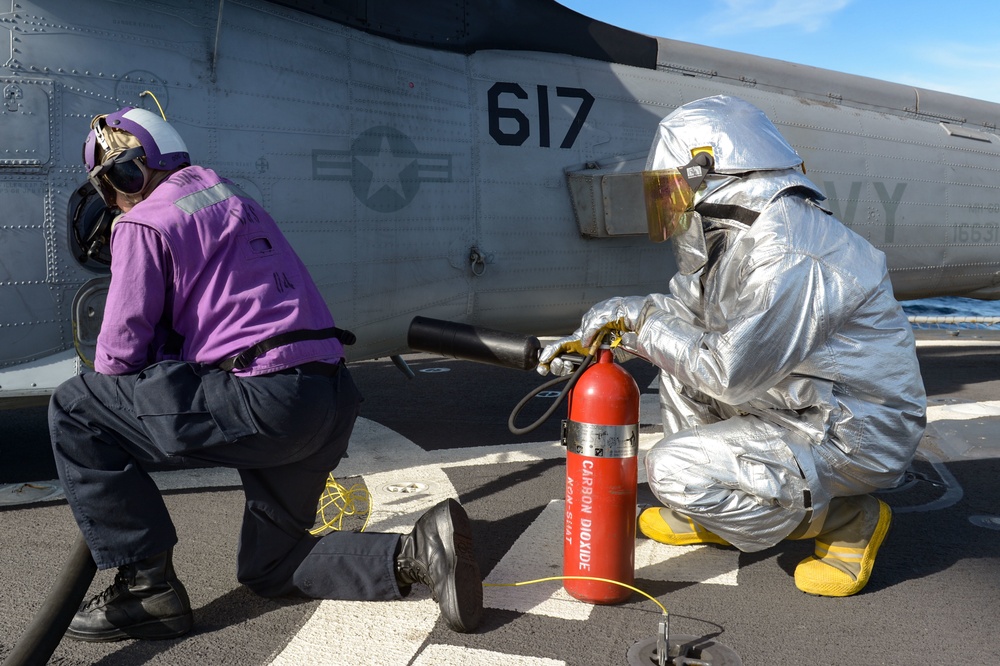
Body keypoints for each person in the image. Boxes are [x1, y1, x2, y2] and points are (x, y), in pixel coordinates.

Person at [51, 106, 482, 642]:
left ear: (122, 173)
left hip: (264, 398)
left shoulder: (142, 221)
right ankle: (419, 554)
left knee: (75, 407)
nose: (111, 202)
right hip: (329, 398)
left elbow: (118, 359)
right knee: (271, 567)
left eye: (109, 189)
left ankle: (147, 591)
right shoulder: (234, 199)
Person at [539, 95, 926, 597]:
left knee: (671, 470)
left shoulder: (791, 250)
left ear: (711, 174)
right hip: (796, 401)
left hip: (852, 430)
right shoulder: (736, 237)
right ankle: (718, 506)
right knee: (676, 364)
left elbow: (727, 373)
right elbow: (680, 321)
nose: (668, 204)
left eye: (671, 187)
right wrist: (601, 331)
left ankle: (844, 516)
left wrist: (639, 320)